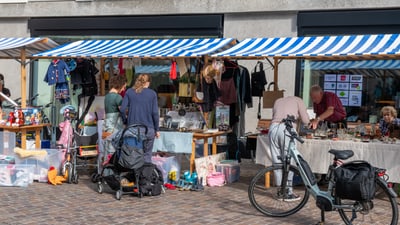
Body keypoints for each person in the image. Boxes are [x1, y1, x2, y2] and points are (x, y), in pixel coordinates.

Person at [268, 96, 310, 201]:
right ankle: (288, 192)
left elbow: (274, 116)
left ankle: (279, 191)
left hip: (273, 128)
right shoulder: (299, 100)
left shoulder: (277, 100)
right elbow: (306, 120)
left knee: (277, 161)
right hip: (287, 129)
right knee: (289, 161)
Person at [120, 74, 160, 163]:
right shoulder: (152, 94)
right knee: (147, 155)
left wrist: (125, 121)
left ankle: (133, 175)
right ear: (148, 83)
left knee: (132, 155)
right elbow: (155, 113)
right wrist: (157, 129)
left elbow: (122, 109)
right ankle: (144, 176)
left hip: (132, 129)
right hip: (148, 130)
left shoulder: (129, 92)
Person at [103, 75, 127, 154]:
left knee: (108, 145)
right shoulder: (118, 97)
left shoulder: (107, 96)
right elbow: (122, 110)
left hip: (108, 124)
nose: (124, 89)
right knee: (114, 146)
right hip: (115, 125)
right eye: (123, 87)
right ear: (120, 85)